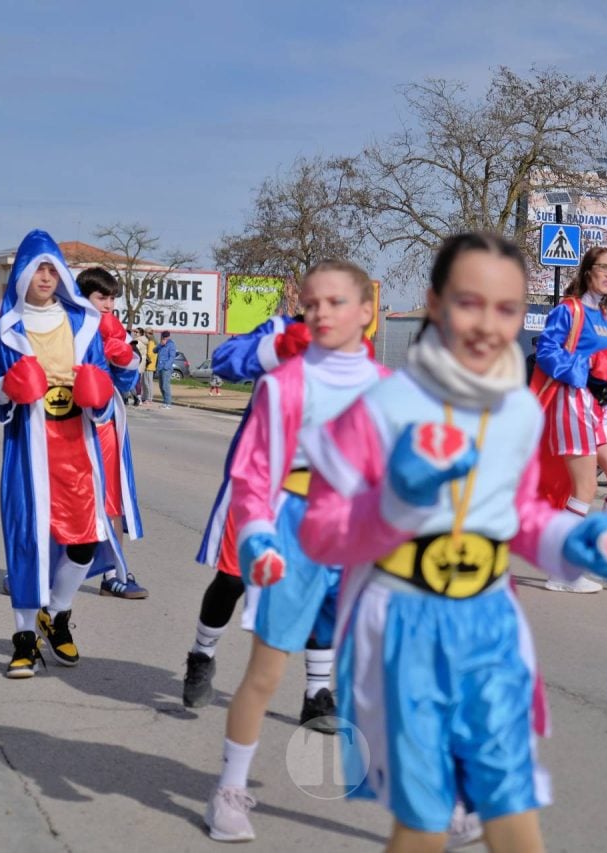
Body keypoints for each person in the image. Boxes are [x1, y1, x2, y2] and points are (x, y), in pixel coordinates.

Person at [298, 232, 607, 852]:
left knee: (512, 810)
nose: (488, 323)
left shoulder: (515, 410)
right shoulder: (379, 408)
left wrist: (578, 540)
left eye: (506, 309)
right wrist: (396, 498)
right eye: (469, 302)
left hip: (489, 626)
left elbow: (519, 519)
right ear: (435, 304)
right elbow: (322, 534)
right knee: (425, 822)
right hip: (404, 626)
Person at [203, 262, 381, 843]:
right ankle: (230, 789)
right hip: (296, 529)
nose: (323, 312)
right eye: (312, 303)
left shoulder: (389, 388)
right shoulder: (284, 384)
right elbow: (253, 471)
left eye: (337, 302)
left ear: (365, 311)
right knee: (265, 670)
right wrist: (256, 534)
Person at [0, 229, 119, 678]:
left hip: (77, 444)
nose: (45, 275)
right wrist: (5, 388)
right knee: (27, 539)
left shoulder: (85, 324)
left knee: (86, 538)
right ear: (21, 273)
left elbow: (106, 387)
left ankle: (56, 613)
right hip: (28, 447)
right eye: (37, 267)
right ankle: (23, 638)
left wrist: (100, 395)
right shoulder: (4, 330)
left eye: (51, 267)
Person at [182, 314, 311, 711]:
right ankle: (202, 655)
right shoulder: (276, 331)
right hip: (259, 481)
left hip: (317, 489)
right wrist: (277, 349)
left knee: (317, 590)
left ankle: (317, 693)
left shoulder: (352, 349)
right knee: (233, 578)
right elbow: (225, 360)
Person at [531, 246, 607, 593]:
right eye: (603, 268)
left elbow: (604, 364)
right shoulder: (568, 310)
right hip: (572, 403)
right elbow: (547, 352)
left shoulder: (602, 315)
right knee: (585, 489)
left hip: (600, 408)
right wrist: (585, 376)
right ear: (588, 270)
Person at [75, 267, 149, 599]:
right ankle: (31, 569)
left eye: (111, 298)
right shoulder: (67, 328)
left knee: (113, 499)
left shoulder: (116, 330)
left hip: (106, 426)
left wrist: (125, 361)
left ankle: (115, 572)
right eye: (100, 297)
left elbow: (124, 387)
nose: (108, 304)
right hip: (67, 426)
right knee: (58, 499)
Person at [154, 331, 177, 408]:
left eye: (166, 337)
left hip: (166, 368)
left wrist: (166, 366)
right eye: (163, 336)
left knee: (165, 386)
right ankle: (165, 402)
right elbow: (154, 351)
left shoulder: (171, 345)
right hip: (160, 367)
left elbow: (172, 357)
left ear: (169, 336)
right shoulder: (161, 344)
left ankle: (168, 403)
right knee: (161, 386)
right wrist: (160, 345)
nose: (164, 338)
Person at [141, 329, 157, 405]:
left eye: (146, 333)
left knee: (147, 382)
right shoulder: (153, 342)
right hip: (149, 365)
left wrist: (145, 356)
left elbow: (150, 354)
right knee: (145, 382)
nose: (145, 335)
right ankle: (145, 397)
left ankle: (149, 398)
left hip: (149, 365)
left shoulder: (151, 342)